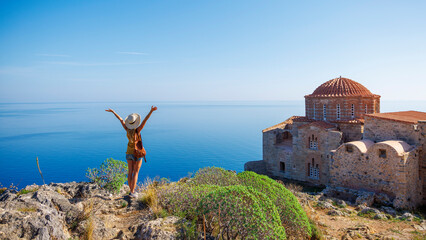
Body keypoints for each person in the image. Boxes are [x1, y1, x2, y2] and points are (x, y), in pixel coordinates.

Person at [105, 106, 157, 197]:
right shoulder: (138, 130)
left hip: (128, 152)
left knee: (130, 172)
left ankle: (131, 191)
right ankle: (132, 192)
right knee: (136, 172)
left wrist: (113, 112)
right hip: (137, 153)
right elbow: (145, 120)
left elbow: (120, 119)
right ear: (136, 123)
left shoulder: (127, 129)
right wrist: (151, 111)